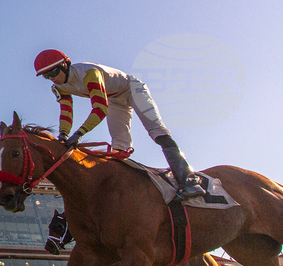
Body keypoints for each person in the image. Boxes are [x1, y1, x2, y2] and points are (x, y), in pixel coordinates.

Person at [33, 49, 205, 200]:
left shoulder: (89, 73)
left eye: (53, 72)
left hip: (132, 88)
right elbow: (66, 112)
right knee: (119, 149)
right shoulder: (59, 87)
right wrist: (63, 134)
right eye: (46, 76)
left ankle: (188, 180)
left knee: (157, 131)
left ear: (65, 65)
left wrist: (79, 134)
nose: (52, 78)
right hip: (114, 98)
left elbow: (100, 109)